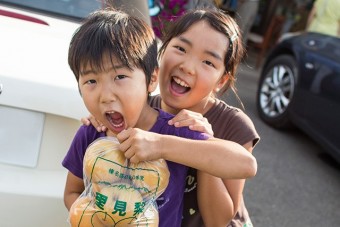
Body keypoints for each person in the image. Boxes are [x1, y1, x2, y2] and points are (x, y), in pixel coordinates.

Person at [63, 7, 257, 227]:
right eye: (181, 48)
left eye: (208, 62)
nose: (188, 66)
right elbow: (75, 193)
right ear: (162, 51)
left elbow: (244, 169)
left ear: (222, 80)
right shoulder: (126, 110)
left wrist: (164, 145)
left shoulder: (218, 126)